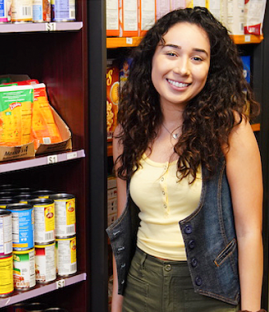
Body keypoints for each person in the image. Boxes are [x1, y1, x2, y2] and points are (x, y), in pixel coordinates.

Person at [107, 7, 264, 312]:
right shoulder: (129, 129)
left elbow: (249, 233)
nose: (182, 70)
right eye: (171, 53)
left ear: (211, 68)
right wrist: (117, 303)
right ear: (152, 57)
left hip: (211, 294)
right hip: (141, 288)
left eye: (197, 58)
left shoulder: (230, 129)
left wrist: (251, 309)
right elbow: (124, 226)